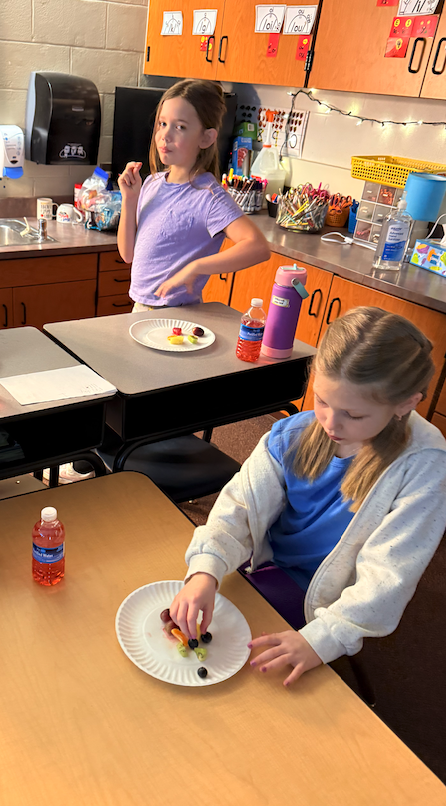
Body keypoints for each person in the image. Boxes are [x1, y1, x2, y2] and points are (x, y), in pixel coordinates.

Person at [169, 307, 446, 686]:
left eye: (354, 414)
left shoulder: (424, 466)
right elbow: (238, 506)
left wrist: (322, 640)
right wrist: (206, 569)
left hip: (329, 602)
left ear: (405, 405)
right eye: (322, 401)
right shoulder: (292, 435)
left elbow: (387, 577)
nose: (331, 424)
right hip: (269, 570)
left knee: (243, 682)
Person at [117, 79, 270, 311]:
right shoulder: (152, 182)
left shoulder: (208, 197)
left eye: (180, 127)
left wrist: (196, 267)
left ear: (206, 138)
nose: (164, 136)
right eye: (162, 123)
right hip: (140, 308)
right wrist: (129, 200)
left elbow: (258, 247)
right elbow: (128, 254)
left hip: (176, 315)